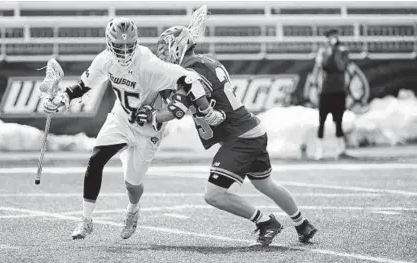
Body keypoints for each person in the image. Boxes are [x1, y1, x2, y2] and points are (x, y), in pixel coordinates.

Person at [135, 26, 317, 247]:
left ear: (178, 47)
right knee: (266, 184)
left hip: (240, 137)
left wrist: (154, 117)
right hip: (252, 130)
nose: (162, 55)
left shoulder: (191, 71)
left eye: (165, 50)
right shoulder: (205, 62)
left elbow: (176, 110)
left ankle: (265, 222)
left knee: (214, 195)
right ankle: (302, 224)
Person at [42, 18, 223, 240]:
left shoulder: (147, 61)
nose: (126, 52)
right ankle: (86, 220)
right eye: (120, 47)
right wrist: (62, 99)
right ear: (110, 44)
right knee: (96, 158)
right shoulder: (105, 60)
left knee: (132, 184)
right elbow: (82, 86)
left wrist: (205, 108)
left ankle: (133, 209)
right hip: (122, 117)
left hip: (149, 125)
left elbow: (188, 77)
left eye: (130, 46)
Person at [313, 29, 350, 160]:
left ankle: (341, 149)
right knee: (321, 120)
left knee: (338, 121)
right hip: (325, 91)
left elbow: (341, 67)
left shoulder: (343, 51)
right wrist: (328, 52)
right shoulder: (322, 51)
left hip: (339, 90)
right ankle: (319, 150)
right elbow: (321, 66)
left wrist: (336, 52)